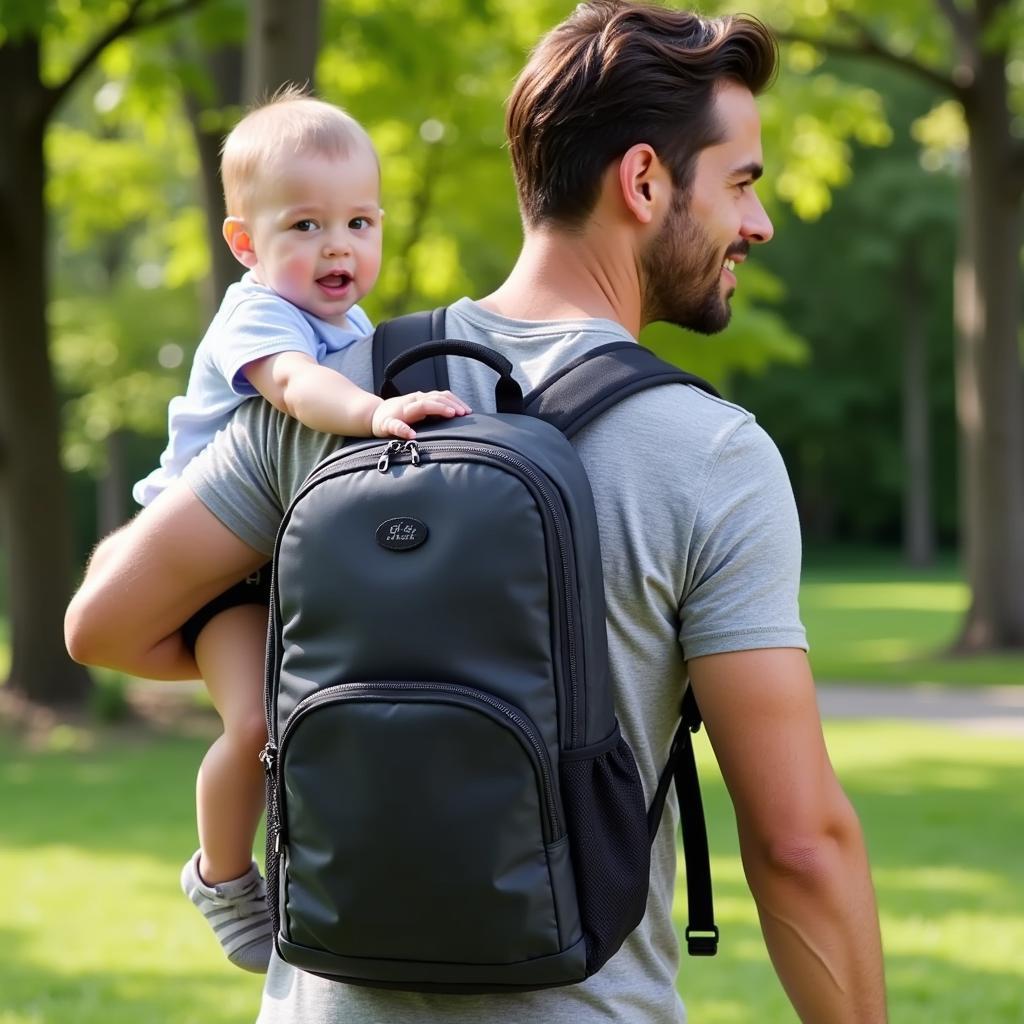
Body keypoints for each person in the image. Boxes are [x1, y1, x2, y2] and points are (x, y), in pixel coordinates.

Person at [66, 2, 888, 1021]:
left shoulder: (344, 386)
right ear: (641, 182)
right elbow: (798, 842)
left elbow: (102, 622)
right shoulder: (710, 455)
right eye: (741, 185)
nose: (757, 224)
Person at [131, 87, 469, 973]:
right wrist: (371, 412)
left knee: (311, 725)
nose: (338, 247)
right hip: (209, 566)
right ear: (247, 243)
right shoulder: (261, 315)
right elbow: (291, 388)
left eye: (359, 223)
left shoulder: (349, 324)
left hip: (277, 561)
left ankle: (316, 871)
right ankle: (220, 873)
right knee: (252, 728)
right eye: (306, 226)